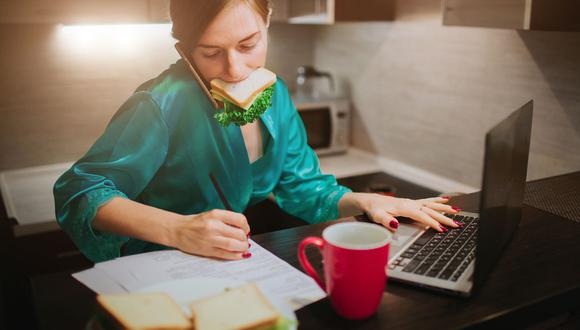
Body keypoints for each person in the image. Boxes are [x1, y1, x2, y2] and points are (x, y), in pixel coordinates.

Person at [53, 0, 461, 263]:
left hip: (224, 267)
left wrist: (365, 200)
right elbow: (80, 192)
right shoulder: (160, 103)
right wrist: (177, 228)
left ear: (267, 22)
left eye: (248, 45)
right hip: (154, 272)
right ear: (184, 51)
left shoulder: (276, 93)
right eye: (210, 53)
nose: (234, 70)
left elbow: (303, 187)